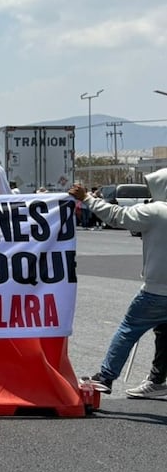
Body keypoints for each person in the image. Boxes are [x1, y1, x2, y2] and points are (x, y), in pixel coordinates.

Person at [69, 167, 167, 394]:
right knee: (164, 332)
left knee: (129, 328)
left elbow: (117, 216)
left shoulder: (156, 211)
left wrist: (87, 198)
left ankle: (106, 376)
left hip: (157, 290)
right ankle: (157, 379)